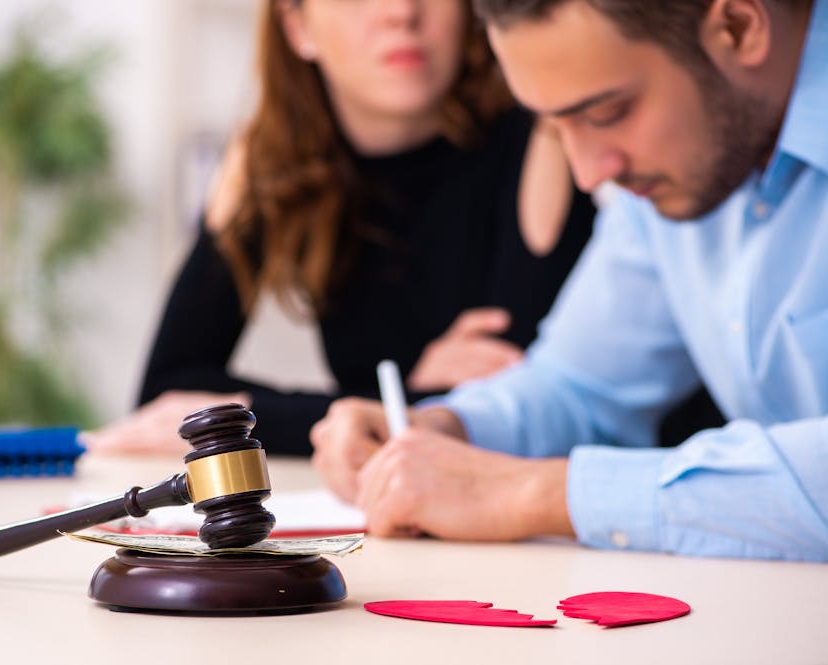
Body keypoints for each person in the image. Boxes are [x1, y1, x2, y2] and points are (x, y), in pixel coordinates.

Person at [310, 0, 828, 562]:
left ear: (738, 26)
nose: (588, 173)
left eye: (605, 114)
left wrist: (533, 494)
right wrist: (444, 429)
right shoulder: (669, 173)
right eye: (554, 126)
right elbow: (580, 387)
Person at [83, 0, 597, 456]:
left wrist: (248, 412)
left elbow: (528, 400)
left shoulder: (544, 131)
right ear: (297, 27)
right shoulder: (268, 160)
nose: (401, 12)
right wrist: (402, 398)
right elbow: (166, 399)